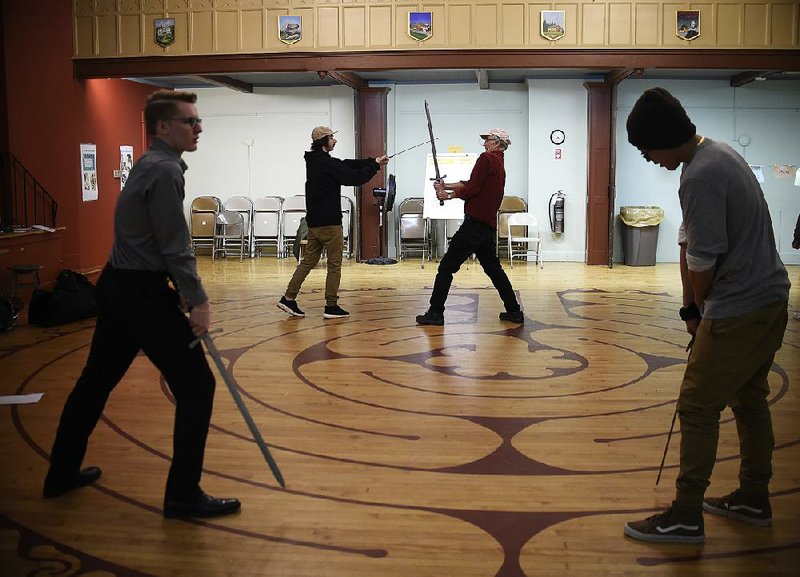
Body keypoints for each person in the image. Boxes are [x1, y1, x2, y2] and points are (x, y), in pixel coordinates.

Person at [43, 90, 241, 519]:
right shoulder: (164, 170)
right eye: (190, 121)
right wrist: (198, 300)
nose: (199, 127)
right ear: (163, 127)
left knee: (94, 382)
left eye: (198, 120)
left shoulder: (149, 165)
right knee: (197, 386)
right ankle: (182, 496)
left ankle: (60, 472)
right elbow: (174, 245)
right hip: (141, 294)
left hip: (118, 287)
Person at [623, 87, 790, 544]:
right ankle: (753, 498)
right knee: (750, 400)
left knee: (697, 406)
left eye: (645, 148)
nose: (647, 157)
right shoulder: (718, 155)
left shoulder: (699, 176)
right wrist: (689, 310)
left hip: (741, 306)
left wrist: (701, 310)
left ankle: (684, 514)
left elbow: (704, 260)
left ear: (661, 137)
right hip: (771, 299)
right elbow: (688, 244)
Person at [277, 126, 388, 319]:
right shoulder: (326, 164)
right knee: (335, 265)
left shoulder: (315, 161)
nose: (335, 141)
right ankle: (331, 306)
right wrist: (375, 167)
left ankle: (288, 298)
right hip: (329, 223)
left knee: (308, 262)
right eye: (332, 138)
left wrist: (373, 161)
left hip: (314, 222)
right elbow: (353, 177)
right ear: (323, 141)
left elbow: (345, 164)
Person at [415, 128, 523, 326]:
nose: (484, 144)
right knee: (494, 270)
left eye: (488, 140)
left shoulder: (486, 158)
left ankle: (435, 312)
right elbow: (474, 184)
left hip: (474, 225)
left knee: (446, 267)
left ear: (497, 143)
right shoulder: (499, 163)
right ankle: (514, 311)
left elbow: (473, 188)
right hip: (486, 225)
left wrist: (448, 195)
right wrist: (446, 186)